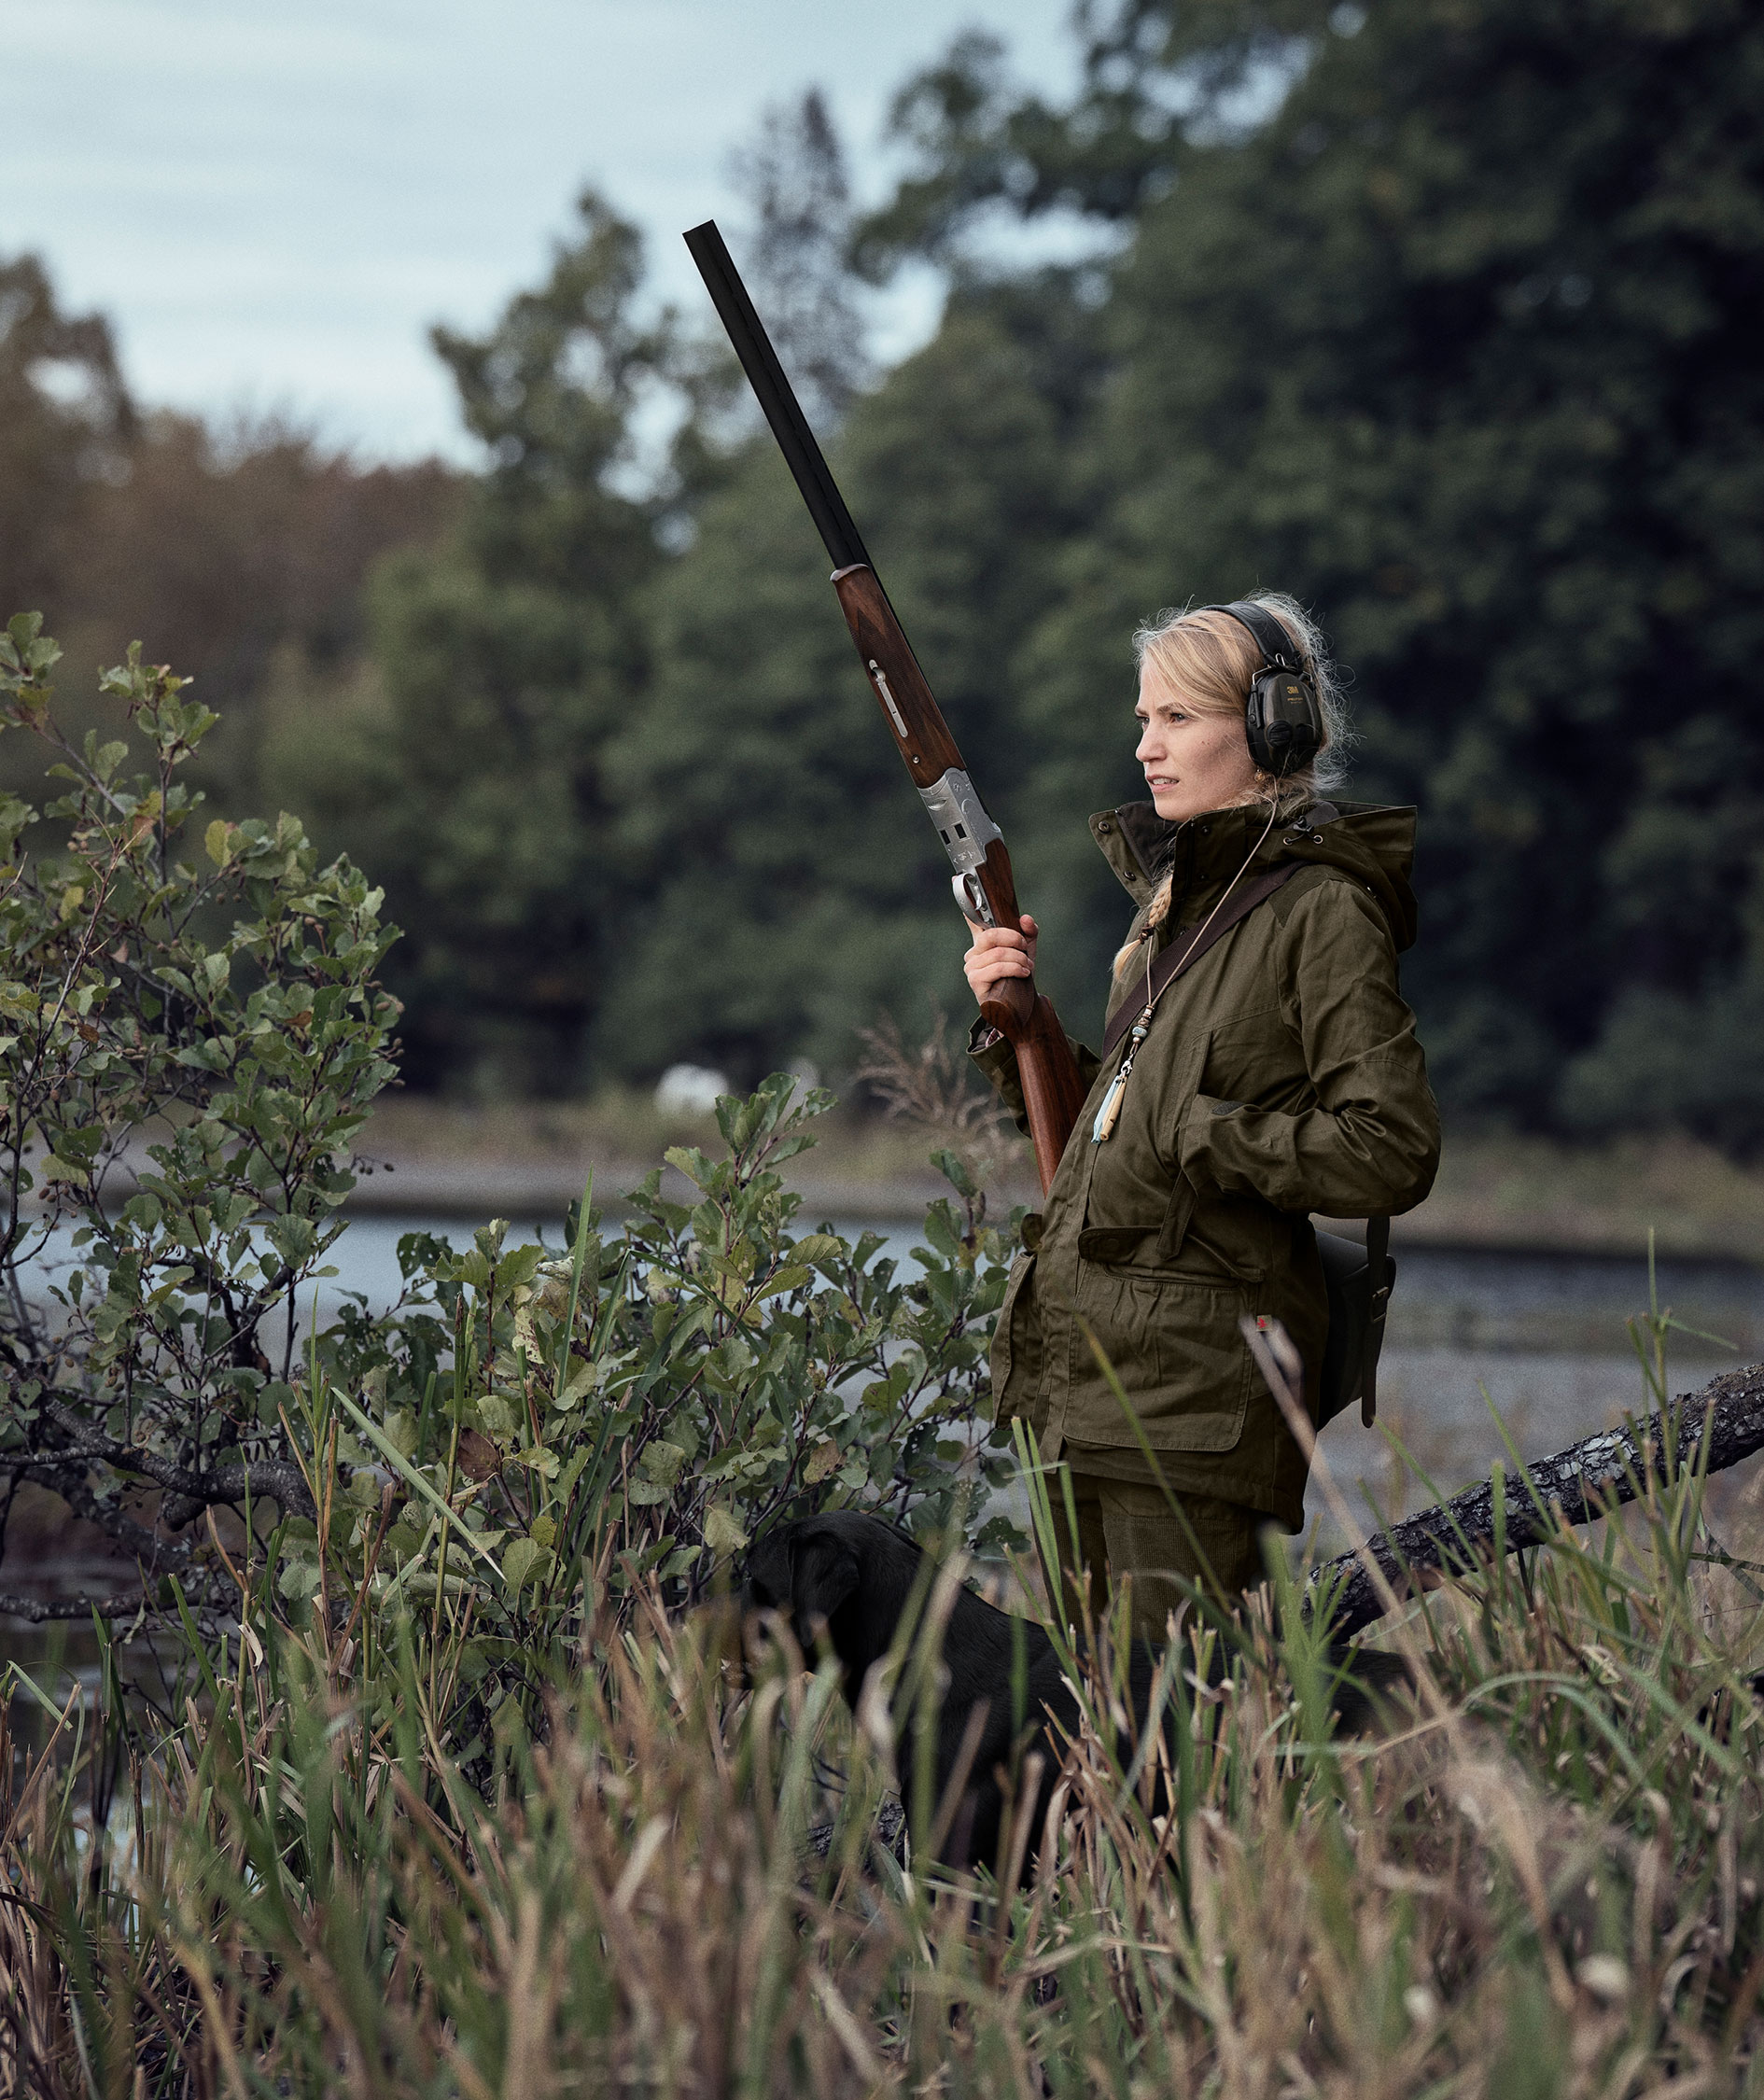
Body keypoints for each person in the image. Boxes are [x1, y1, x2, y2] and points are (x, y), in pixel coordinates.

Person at [964, 595, 1439, 1637]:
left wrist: (1211, 1134)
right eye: (1143, 720)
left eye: (1177, 719)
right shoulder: (1176, 906)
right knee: (1095, 1729)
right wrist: (1024, 1028)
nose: (1145, 747)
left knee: (1174, 1733)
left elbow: (1392, 1149)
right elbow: (1119, 1122)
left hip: (1193, 1410)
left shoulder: (1322, 908)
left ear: (1273, 727)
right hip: (1086, 1384)